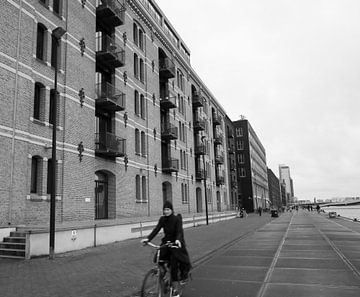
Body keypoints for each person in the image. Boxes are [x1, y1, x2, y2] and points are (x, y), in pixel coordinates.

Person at [141, 201, 192, 295]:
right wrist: (148, 239)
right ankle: (163, 274)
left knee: (174, 265)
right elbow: (156, 229)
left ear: (171, 210)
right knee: (158, 259)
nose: (166, 211)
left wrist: (178, 240)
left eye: (168, 209)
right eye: (165, 209)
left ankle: (175, 290)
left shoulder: (176, 219)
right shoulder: (162, 219)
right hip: (166, 243)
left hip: (176, 244)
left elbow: (179, 231)